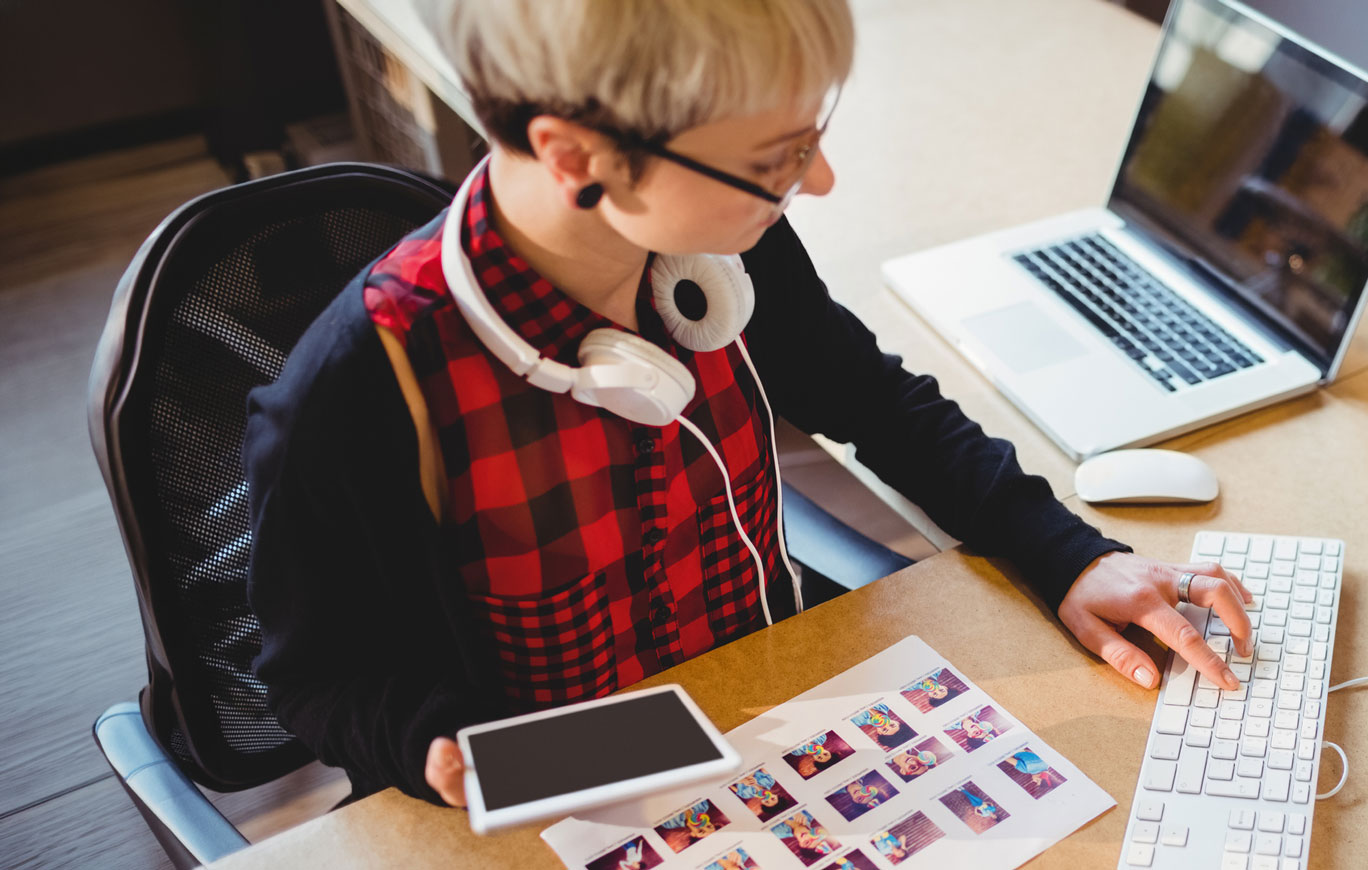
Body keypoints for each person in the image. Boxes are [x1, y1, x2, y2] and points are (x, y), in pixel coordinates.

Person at [243, 0, 1251, 809]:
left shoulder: (723, 255)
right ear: (576, 157)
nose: (818, 179)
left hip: (770, 736)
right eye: (775, 160)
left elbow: (877, 402)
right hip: (568, 814)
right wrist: (434, 748)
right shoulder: (365, 390)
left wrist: (1065, 553)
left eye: (813, 135)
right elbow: (317, 679)